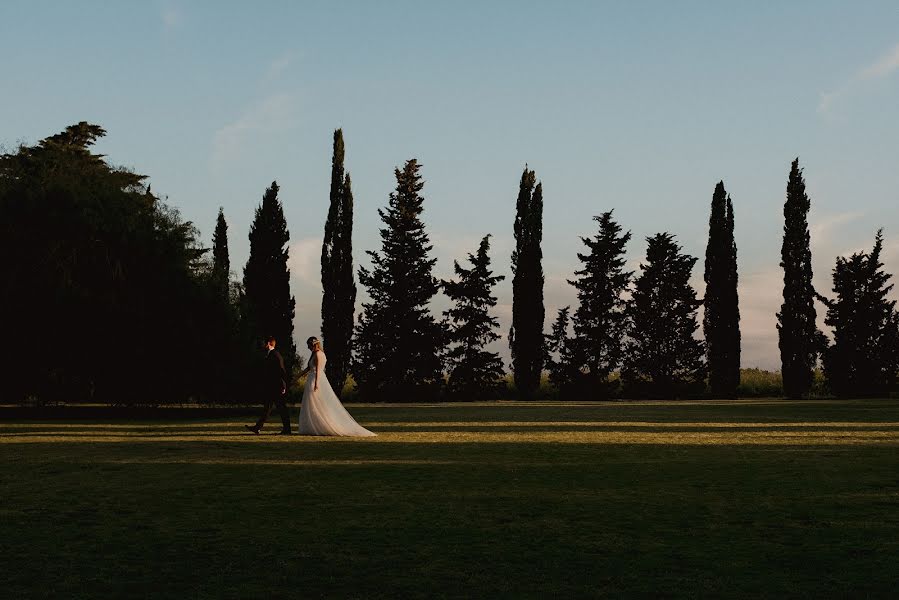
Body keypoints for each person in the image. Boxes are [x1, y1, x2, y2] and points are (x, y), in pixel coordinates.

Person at [298, 336, 375, 436]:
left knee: (315, 402)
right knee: (313, 403)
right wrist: (298, 376)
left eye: (309, 345)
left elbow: (317, 370)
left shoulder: (318, 354)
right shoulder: (316, 354)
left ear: (313, 344)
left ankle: (320, 425)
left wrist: (316, 383)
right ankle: (314, 425)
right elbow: (309, 368)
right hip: (315, 379)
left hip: (315, 379)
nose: (308, 347)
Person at [245, 335, 292, 435]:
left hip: (277, 387)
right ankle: (258, 427)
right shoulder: (270, 354)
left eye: (264, 343)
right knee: (268, 408)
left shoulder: (275, 355)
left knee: (281, 408)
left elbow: (281, 371)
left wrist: (283, 386)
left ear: (269, 344)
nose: (263, 345)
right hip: (272, 387)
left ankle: (287, 429)